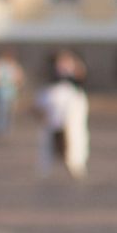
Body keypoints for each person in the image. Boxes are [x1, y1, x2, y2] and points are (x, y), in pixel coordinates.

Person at [36, 50, 89, 179]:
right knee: (49, 145)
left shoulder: (75, 93)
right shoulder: (52, 91)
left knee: (74, 142)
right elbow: (39, 106)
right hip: (54, 122)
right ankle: (46, 169)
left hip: (69, 122)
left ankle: (75, 165)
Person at [0, 50, 23, 139]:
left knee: (8, 112)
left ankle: (5, 129)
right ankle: (0, 129)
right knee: (0, 111)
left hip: (11, 93)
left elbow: (19, 78)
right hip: (0, 92)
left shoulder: (13, 66)